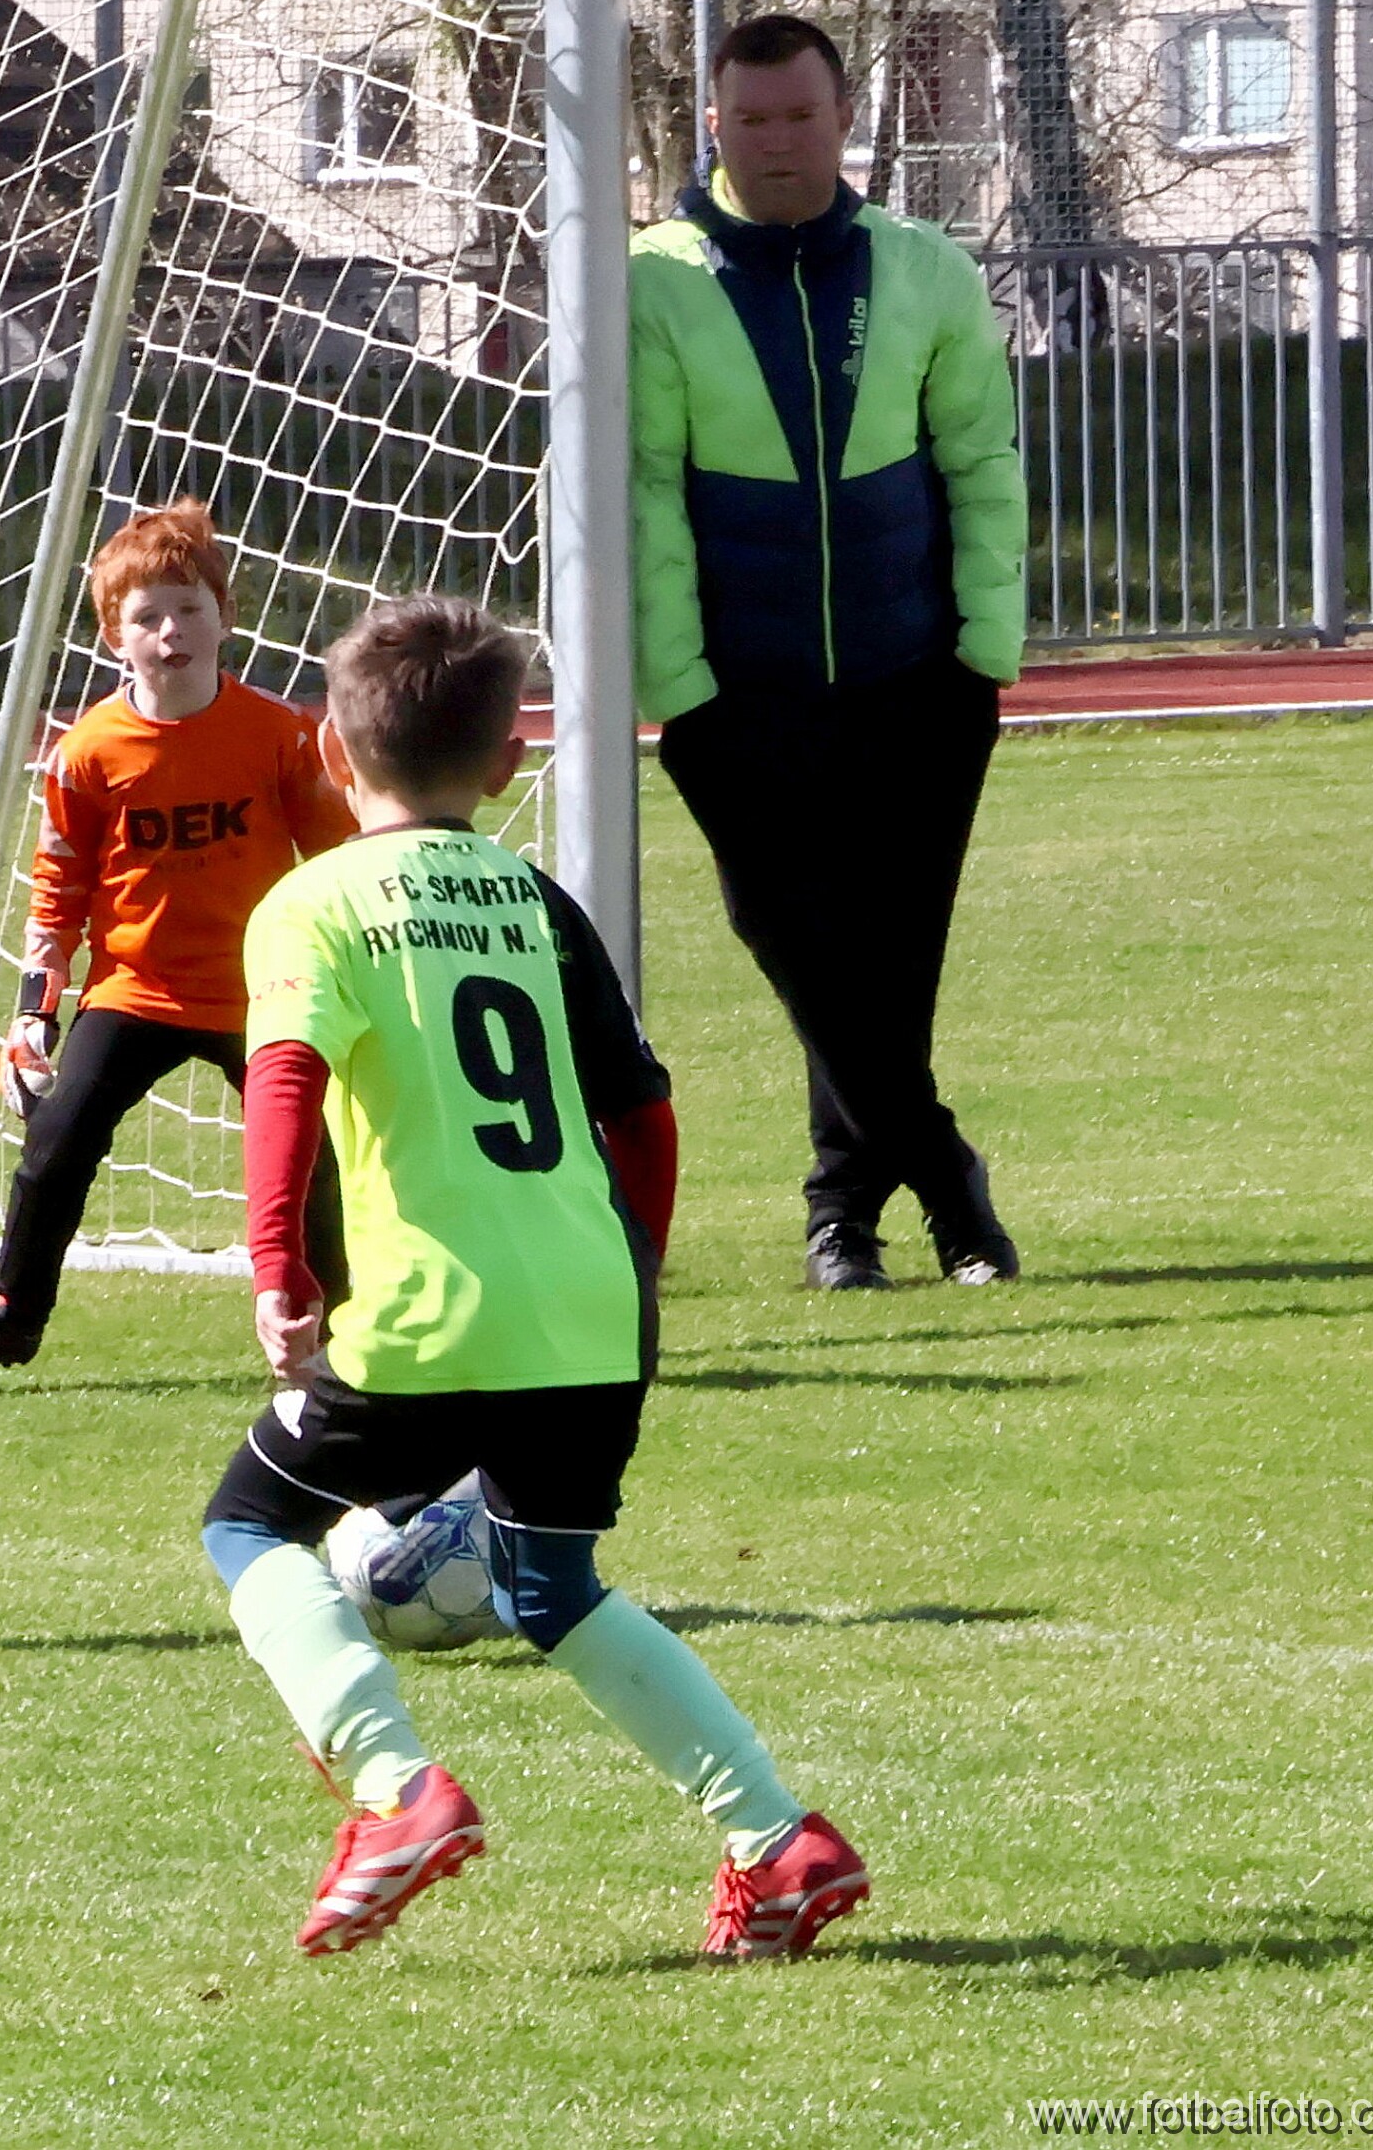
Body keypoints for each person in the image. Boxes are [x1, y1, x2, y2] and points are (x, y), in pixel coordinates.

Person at [201, 592, 866, 1959]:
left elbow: (285, 1082)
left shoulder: (312, 902)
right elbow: (645, 1115)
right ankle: (777, 1840)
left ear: (330, 748)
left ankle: (396, 1793)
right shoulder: (540, 901)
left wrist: (277, 1265)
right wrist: (638, 1275)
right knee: (554, 1588)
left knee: (249, 1528)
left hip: (432, 1310)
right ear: (509, 762)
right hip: (591, 1310)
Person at [630, 12, 1027, 1291]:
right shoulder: (652, 280)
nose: (778, 141)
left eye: (801, 115)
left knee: (890, 977)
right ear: (714, 125)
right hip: (740, 700)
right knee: (796, 944)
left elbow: (981, 464)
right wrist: (682, 691)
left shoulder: (924, 269)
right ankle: (951, 1184)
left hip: (922, 685)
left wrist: (985, 654)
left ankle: (841, 1221)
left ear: (844, 117)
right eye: (751, 119)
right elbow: (644, 493)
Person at [0, 499, 355, 1384]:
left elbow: (338, 861)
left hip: (260, 992)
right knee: (55, 1145)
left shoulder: (278, 735)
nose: (171, 631)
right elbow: (58, 892)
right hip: (135, 992)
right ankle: (12, 1317)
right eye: (147, 616)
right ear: (115, 636)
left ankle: (343, 1328)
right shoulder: (87, 752)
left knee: (310, 1160)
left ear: (226, 617)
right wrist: (34, 1015)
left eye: (189, 609)